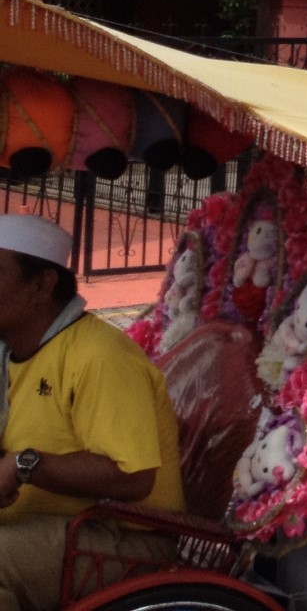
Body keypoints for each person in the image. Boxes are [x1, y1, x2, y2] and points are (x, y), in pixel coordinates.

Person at [0, 213, 182, 611]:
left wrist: (23, 465)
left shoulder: (99, 355)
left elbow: (133, 478)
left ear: (42, 285)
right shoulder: (10, 353)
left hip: (122, 539)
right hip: (51, 528)